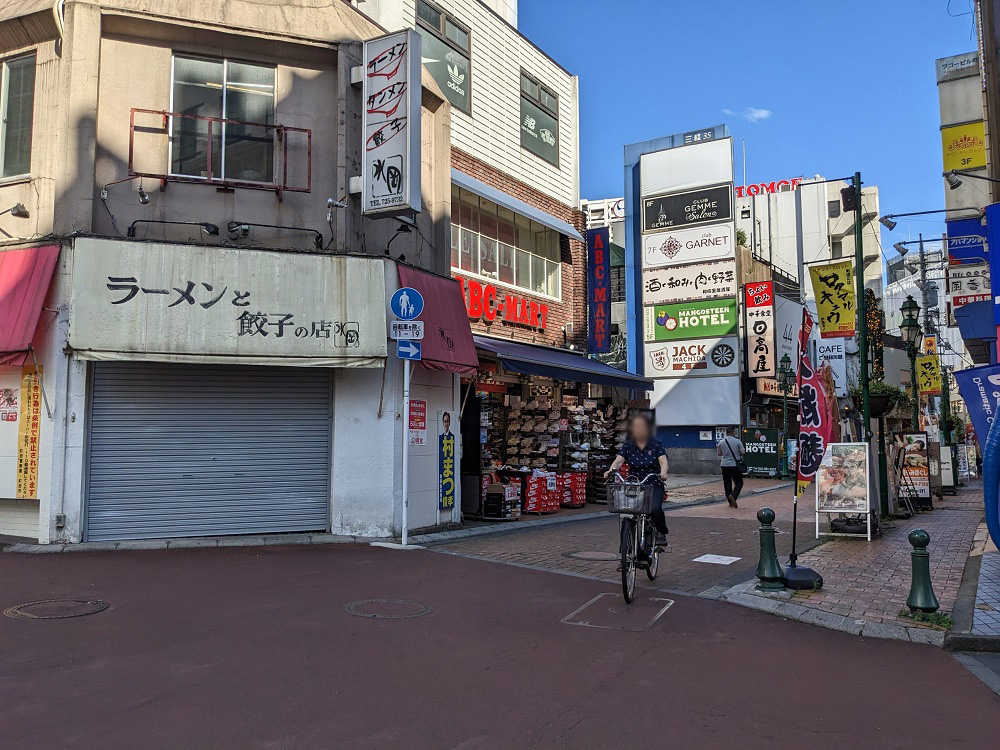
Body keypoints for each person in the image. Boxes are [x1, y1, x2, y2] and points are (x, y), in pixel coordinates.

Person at [604, 413, 669, 545]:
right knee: (628, 514)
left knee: (655, 509)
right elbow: (618, 461)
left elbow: (663, 461)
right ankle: (626, 554)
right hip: (635, 483)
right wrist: (610, 471)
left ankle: (661, 531)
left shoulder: (656, 444)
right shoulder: (628, 445)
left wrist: (663, 473)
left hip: (652, 481)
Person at [717, 427, 745, 508]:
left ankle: (730, 502)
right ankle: (734, 495)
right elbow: (743, 452)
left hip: (724, 465)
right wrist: (738, 453)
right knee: (739, 482)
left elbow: (719, 453)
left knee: (727, 483)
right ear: (733, 432)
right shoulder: (737, 441)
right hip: (734, 465)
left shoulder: (721, 442)